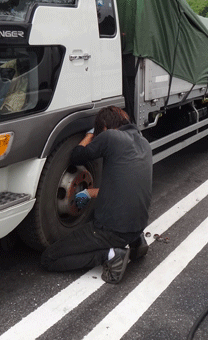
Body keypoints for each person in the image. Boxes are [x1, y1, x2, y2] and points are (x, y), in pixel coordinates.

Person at [40, 106, 153, 284]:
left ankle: (110, 255)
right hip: (139, 224)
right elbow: (122, 187)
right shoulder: (144, 143)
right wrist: (90, 192)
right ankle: (136, 242)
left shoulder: (110, 137)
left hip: (112, 230)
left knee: (49, 259)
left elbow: (78, 155)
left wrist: (89, 136)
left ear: (105, 128)